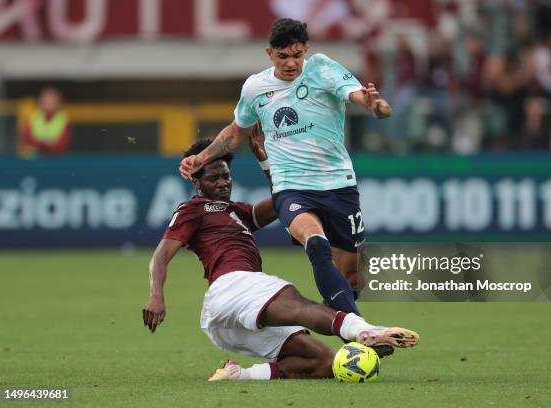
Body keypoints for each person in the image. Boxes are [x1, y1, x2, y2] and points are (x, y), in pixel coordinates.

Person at [144, 140, 419, 381]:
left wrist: (265, 161)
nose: (222, 183)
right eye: (213, 178)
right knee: (297, 303)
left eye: (226, 176)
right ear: (196, 182)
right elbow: (160, 255)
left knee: (323, 363)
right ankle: (365, 331)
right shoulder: (192, 209)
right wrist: (156, 296)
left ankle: (239, 375)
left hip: (230, 316)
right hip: (232, 286)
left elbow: (282, 201)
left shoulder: (238, 211)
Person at [179, 18, 392, 321]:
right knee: (316, 245)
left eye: (297, 54)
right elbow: (236, 132)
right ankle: (359, 330)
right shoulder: (255, 88)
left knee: (351, 276)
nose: (291, 63)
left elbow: (356, 94)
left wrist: (374, 106)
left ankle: (342, 309)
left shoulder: (322, 68)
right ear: (269, 54)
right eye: (283, 56)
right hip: (291, 187)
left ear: (307, 50)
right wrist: (203, 156)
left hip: (338, 184)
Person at [18, 87, 72, 157]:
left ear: (58, 102)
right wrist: (47, 144)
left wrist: (40, 144)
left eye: (52, 100)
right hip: (34, 160)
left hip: (56, 160)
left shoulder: (64, 119)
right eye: (46, 100)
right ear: (40, 102)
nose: (49, 103)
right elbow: (26, 141)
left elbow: (63, 145)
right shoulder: (32, 118)